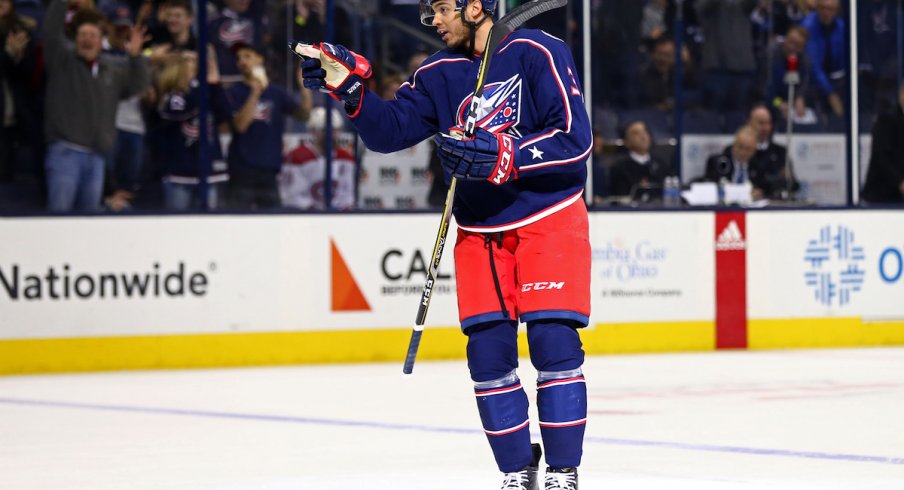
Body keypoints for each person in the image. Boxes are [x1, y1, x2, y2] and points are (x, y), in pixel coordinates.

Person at [300, 1, 591, 488]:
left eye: (439, 9)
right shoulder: (437, 71)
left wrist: (504, 154)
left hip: (550, 218)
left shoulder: (539, 50)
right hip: (479, 229)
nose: (433, 21)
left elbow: (574, 139)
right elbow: (389, 133)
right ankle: (517, 470)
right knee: (487, 356)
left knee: (553, 342)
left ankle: (563, 471)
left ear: (474, 6)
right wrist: (349, 89)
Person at [43, 0, 148, 212]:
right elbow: (51, 32)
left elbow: (137, 86)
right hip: (66, 152)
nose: (87, 39)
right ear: (75, 39)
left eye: (92, 36)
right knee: (59, 218)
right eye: (83, 35)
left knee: (90, 222)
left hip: (97, 156)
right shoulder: (63, 60)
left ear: (101, 42)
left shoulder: (111, 68)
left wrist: (136, 57)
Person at [224, 42, 308, 209]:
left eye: (247, 56)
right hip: (241, 170)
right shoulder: (233, 92)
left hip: (269, 170)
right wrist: (255, 92)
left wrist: (304, 87)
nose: (242, 61)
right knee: (237, 224)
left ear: (260, 59)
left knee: (272, 225)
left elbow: (304, 115)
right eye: (239, 58)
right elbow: (240, 126)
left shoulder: (277, 92)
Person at [156, 49, 231, 210]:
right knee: (177, 225)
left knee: (210, 225)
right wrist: (203, 87)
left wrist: (215, 83)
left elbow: (225, 114)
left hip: (209, 168)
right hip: (180, 172)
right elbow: (180, 112)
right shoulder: (173, 96)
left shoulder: (208, 90)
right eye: (189, 60)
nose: (197, 64)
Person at [280, 106, 356, 210]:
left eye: (335, 130)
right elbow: (292, 197)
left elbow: (347, 197)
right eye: (325, 130)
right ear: (312, 131)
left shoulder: (345, 158)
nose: (331, 135)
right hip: (306, 219)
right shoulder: (297, 157)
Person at [801, 0, 846, 117]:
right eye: (823, 8)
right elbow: (814, 66)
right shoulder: (808, 26)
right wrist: (830, 93)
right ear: (817, 8)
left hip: (838, 79)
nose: (826, 12)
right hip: (813, 81)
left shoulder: (842, 27)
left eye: (830, 9)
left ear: (836, 11)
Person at [862, 86, 904, 204]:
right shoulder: (887, 119)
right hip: (882, 195)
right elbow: (881, 156)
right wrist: (900, 181)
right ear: (901, 94)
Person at [747, 105, 800, 199]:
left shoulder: (780, 152)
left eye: (768, 123)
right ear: (750, 123)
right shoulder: (739, 150)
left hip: (774, 205)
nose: (765, 128)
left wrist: (787, 179)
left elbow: (793, 185)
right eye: (761, 123)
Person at [703, 125, 766, 201]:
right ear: (734, 145)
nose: (743, 152)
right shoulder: (719, 163)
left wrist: (758, 193)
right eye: (740, 147)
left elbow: (763, 189)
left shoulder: (759, 165)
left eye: (748, 149)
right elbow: (711, 189)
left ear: (754, 150)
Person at [608, 121, 669, 198]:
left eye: (645, 131)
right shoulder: (619, 168)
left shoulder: (660, 165)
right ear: (627, 142)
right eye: (636, 133)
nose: (643, 136)